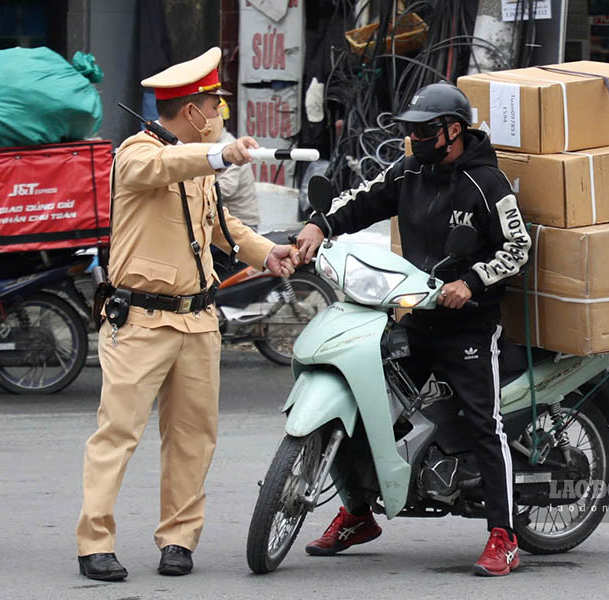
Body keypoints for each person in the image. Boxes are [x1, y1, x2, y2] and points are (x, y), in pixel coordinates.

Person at [75, 47, 298, 582]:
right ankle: (95, 543)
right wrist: (220, 155)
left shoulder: (196, 159)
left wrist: (266, 252)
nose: (220, 115)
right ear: (193, 110)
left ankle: (178, 539)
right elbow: (161, 168)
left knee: (193, 438)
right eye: (216, 106)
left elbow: (221, 226)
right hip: (141, 321)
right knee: (117, 436)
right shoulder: (138, 153)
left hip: (197, 320)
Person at [295, 82, 531, 577]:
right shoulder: (409, 171)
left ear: (454, 131)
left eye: (425, 131)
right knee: (365, 403)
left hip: (469, 326)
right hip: (416, 315)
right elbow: (363, 200)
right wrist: (320, 225)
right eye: (411, 131)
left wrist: (470, 282)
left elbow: (517, 248)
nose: (415, 139)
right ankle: (359, 513)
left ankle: (504, 535)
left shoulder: (487, 184)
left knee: (484, 424)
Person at [214, 99, 261, 230]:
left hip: (241, 223)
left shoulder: (229, 146)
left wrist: (197, 190)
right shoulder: (213, 144)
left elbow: (227, 188)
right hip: (223, 221)